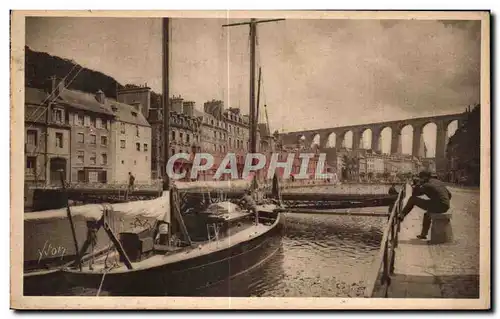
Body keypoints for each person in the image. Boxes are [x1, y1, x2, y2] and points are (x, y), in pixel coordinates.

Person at [399, 170, 452, 240]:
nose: (419, 179)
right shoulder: (438, 182)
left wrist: (417, 184)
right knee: (427, 214)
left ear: (424, 178)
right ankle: (423, 235)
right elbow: (449, 195)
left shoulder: (426, 184)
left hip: (439, 205)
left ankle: (402, 215)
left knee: (412, 199)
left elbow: (415, 194)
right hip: (445, 205)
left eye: (420, 178)